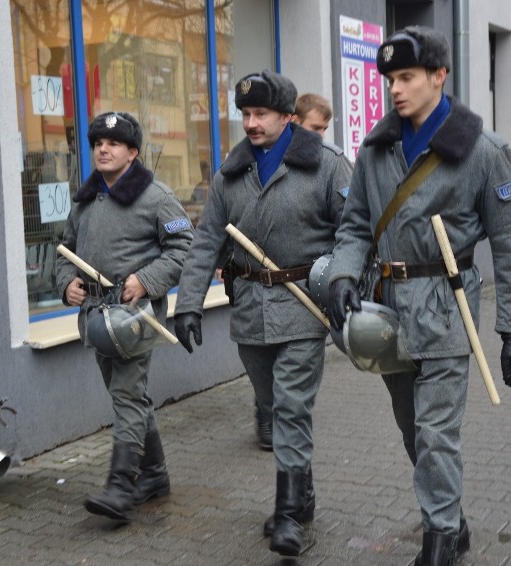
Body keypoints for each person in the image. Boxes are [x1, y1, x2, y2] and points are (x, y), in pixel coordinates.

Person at [326, 27, 511, 565]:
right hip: (388, 309)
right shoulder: (376, 151)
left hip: (448, 306)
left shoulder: (484, 153)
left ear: (439, 76)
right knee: (412, 430)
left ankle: (440, 539)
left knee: (437, 433)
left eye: (407, 77)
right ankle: (454, 518)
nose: (396, 89)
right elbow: (354, 226)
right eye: (390, 79)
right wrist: (345, 274)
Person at [173, 69, 352, 558]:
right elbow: (207, 239)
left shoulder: (328, 166)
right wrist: (187, 304)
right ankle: (304, 493)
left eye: (261, 114)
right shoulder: (231, 174)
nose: (251, 123)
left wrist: (343, 281)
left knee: (292, 407)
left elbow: (355, 232)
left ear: (288, 117)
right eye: (246, 113)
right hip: (250, 308)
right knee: (273, 406)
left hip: (302, 304)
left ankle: (288, 511)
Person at [55, 111, 193, 526]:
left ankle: (120, 486)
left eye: (113, 143)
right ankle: (154, 474)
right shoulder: (84, 199)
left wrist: (147, 280)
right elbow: (64, 249)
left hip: (135, 316)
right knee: (126, 395)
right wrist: (66, 286)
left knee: (128, 396)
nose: (103, 149)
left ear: (133, 152)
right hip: (95, 318)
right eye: (98, 142)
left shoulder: (156, 196)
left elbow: (185, 246)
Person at [248, 91, 338, 452]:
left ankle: (294, 497)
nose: (321, 135)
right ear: (294, 121)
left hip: (305, 294)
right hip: (256, 297)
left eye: (326, 129)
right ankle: (264, 409)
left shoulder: (327, 165)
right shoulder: (249, 165)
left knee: (292, 400)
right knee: (268, 381)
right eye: (316, 127)